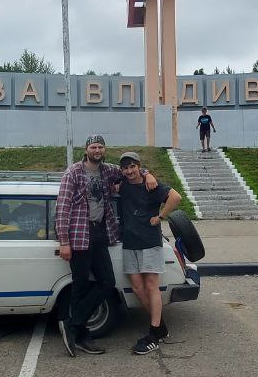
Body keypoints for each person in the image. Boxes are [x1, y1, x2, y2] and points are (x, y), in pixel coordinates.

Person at [55, 134, 157, 357]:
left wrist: (148, 174)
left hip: (100, 233)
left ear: (104, 149)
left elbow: (130, 171)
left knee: (107, 281)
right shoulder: (73, 172)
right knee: (80, 285)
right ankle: (81, 335)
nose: (97, 150)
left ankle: (72, 324)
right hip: (79, 235)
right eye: (93, 147)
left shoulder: (108, 171)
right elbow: (62, 208)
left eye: (100, 147)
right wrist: (64, 241)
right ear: (86, 149)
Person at [118, 151, 182, 355]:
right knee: (137, 288)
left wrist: (160, 216)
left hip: (149, 242)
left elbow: (176, 197)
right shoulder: (123, 184)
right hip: (130, 242)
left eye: (132, 166)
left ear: (139, 166)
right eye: (125, 168)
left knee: (151, 286)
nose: (129, 171)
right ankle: (160, 326)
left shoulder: (151, 185)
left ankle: (154, 333)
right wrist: (147, 173)